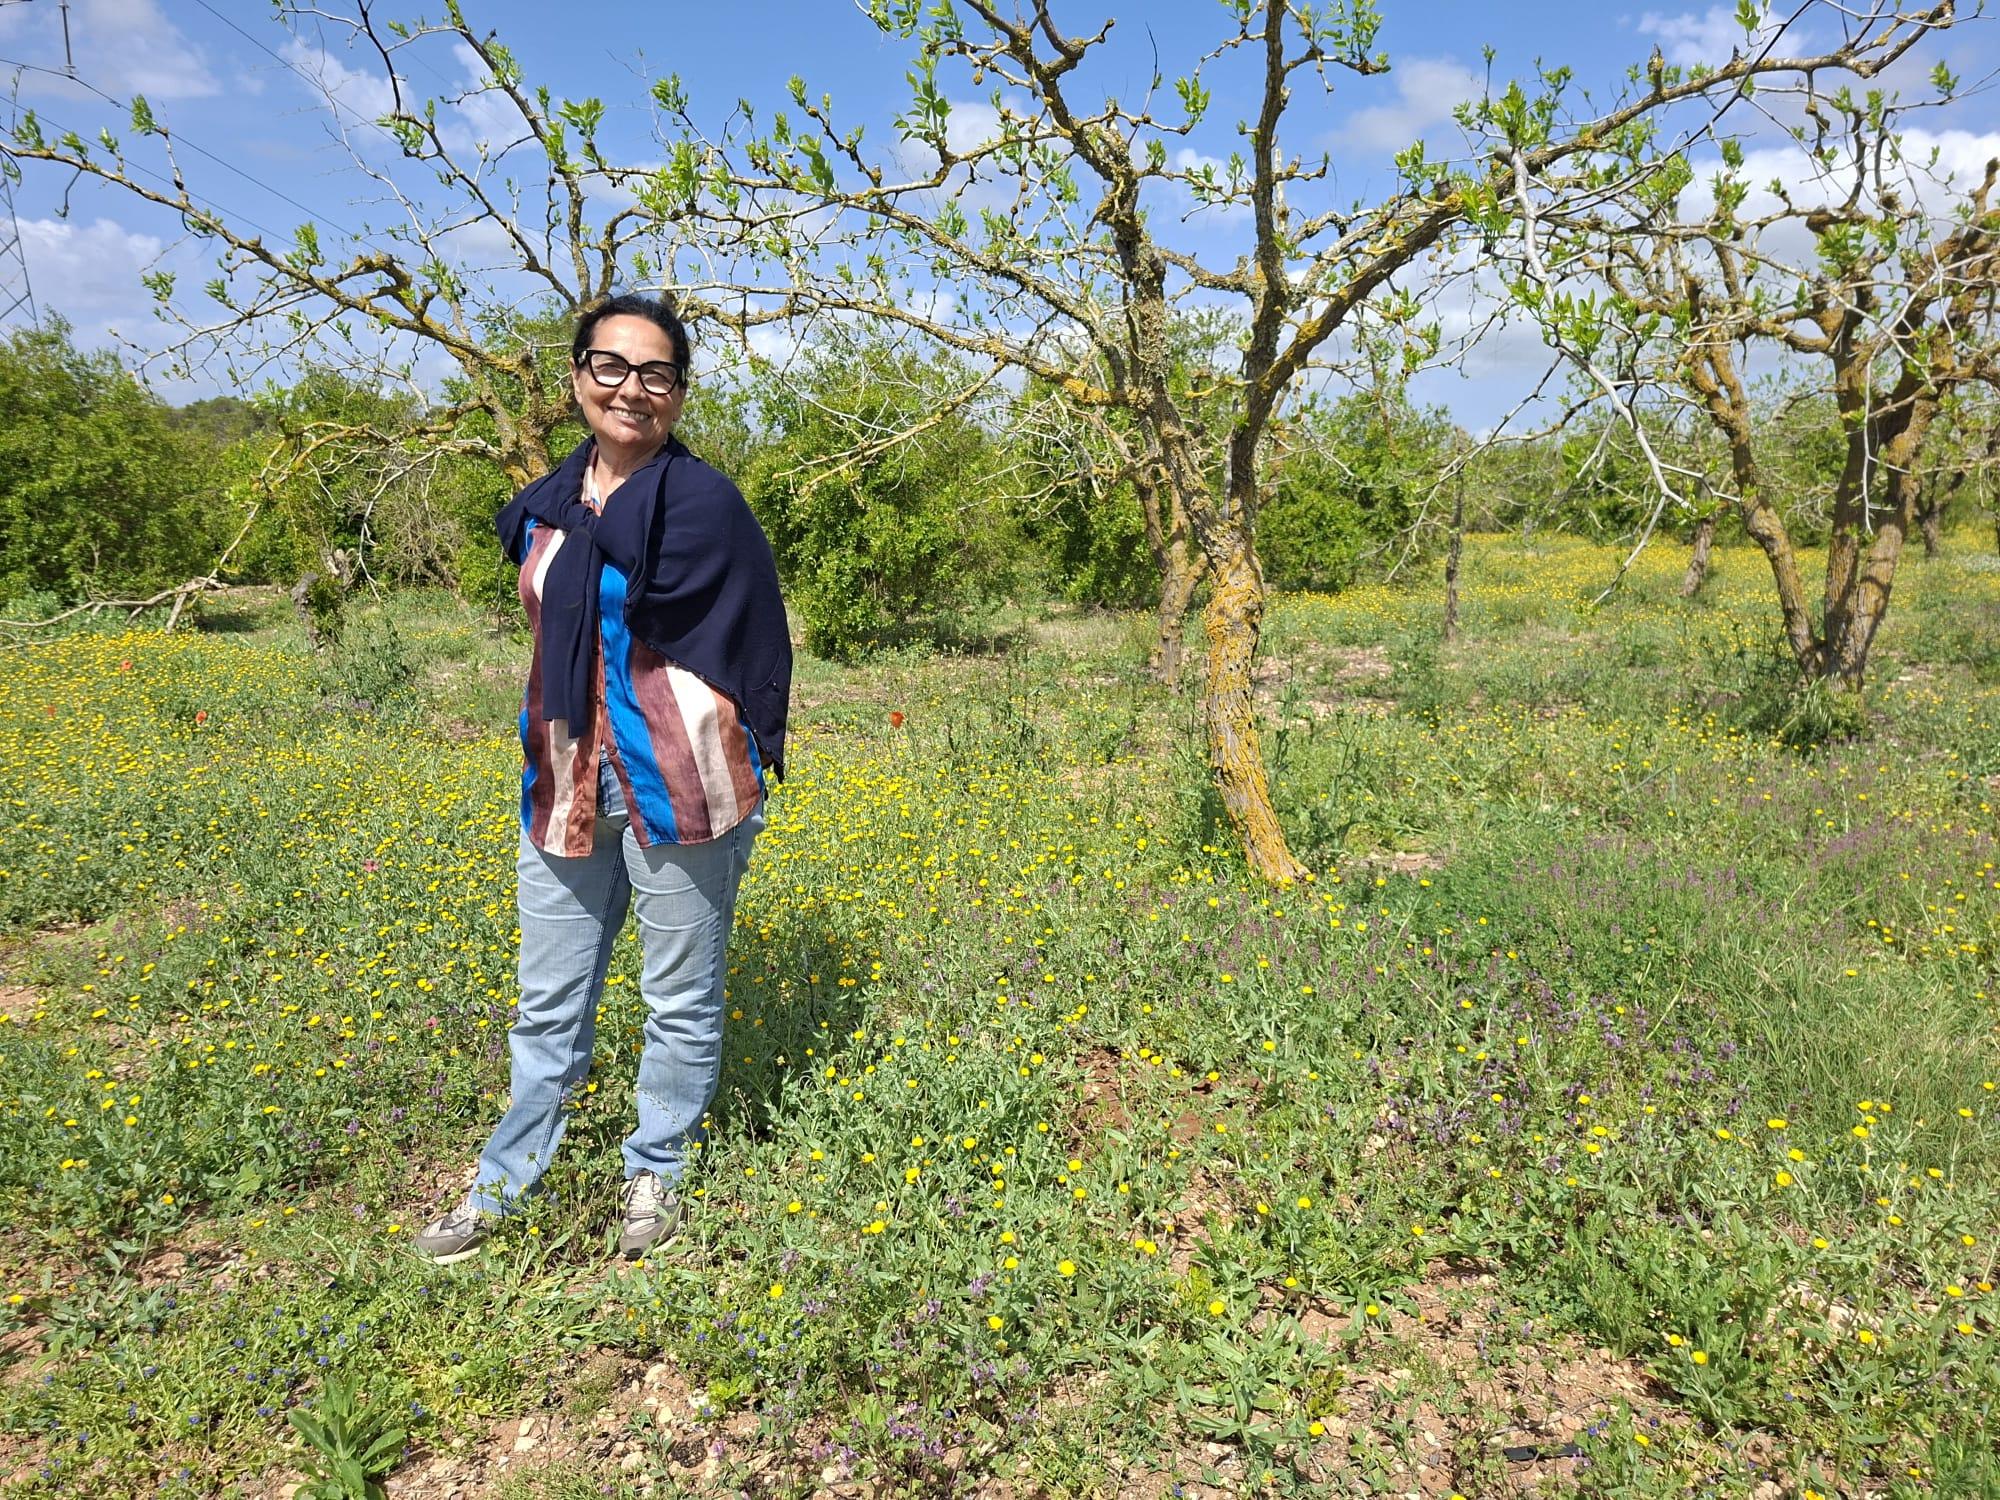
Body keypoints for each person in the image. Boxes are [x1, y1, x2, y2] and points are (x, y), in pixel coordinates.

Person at [416, 293, 791, 1263]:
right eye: (612, 366)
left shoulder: (706, 505)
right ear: (579, 376)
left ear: (679, 392)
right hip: (565, 779)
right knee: (548, 1002)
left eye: (656, 373)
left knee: (679, 1000)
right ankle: (502, 1188)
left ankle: (655, 1173)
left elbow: (756, 635)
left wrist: (746, 733)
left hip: (681, 781)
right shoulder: (547, 506)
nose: (633, 389)